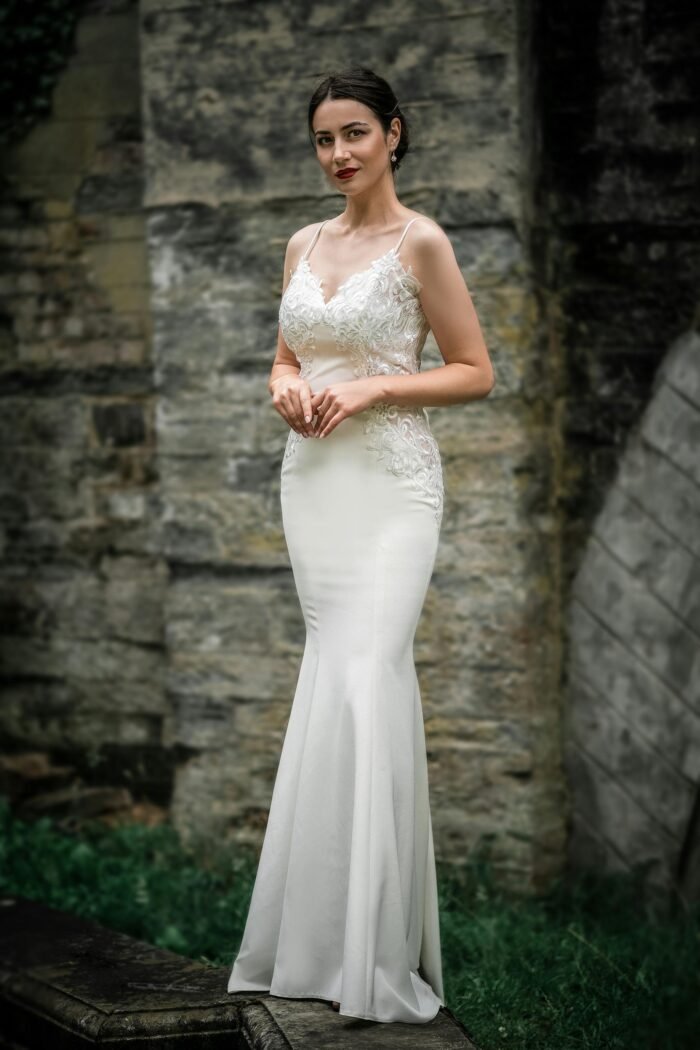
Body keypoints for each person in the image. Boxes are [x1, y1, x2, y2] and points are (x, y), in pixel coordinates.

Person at [227, 66, 494, 1025]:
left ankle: (373, 954)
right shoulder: (302, 241)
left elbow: (475, 372)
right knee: (329, 678)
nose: (338, 154)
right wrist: (282, 388)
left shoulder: (420, 241)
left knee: (370, 674)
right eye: (323, 140)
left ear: (394, 133)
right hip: (314, 483)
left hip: (391, 488)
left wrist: (378, 387)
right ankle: (312, 945)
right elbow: (288, 352)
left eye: (354, 134)